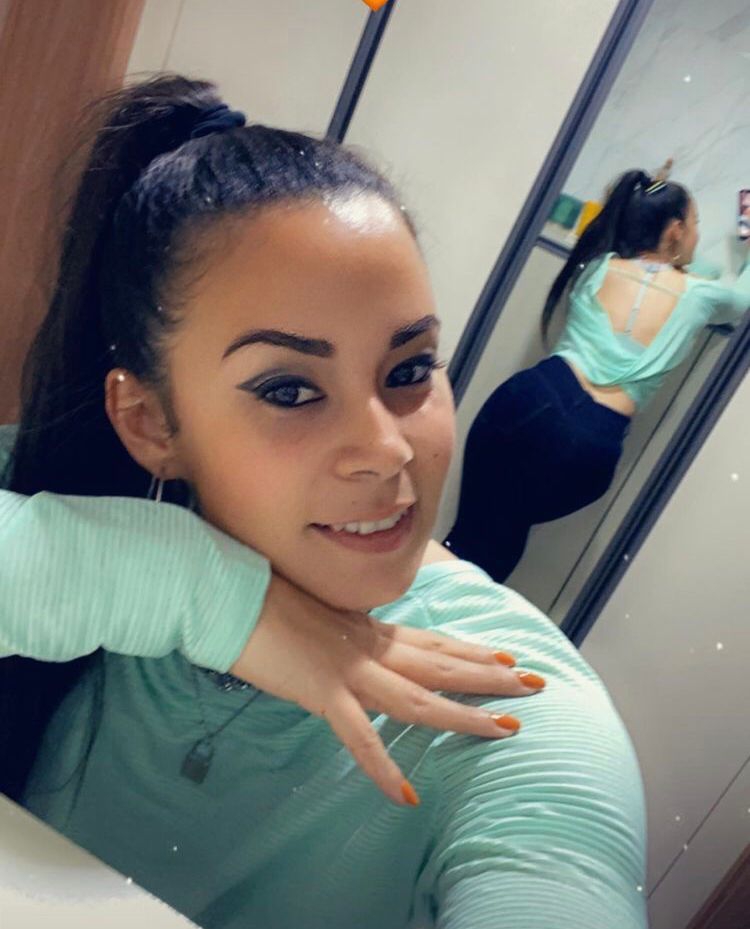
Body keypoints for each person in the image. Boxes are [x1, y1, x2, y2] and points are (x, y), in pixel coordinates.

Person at [1, 75, 647, 928]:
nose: (389, 449)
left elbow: (555, 865)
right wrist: (204, 597)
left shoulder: (513, 706)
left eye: (410, 369)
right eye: (290, 389)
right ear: (150, 420)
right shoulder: (72, 501)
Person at [445, 169, 750, 582]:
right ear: (675, 230)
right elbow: (741, 296)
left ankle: (395, 610)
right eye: (695, 223)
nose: (698, 235)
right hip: (587, 442)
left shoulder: (598, 266)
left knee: (466, 539)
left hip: (529, 399)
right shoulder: (701, 295)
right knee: (495, 553)